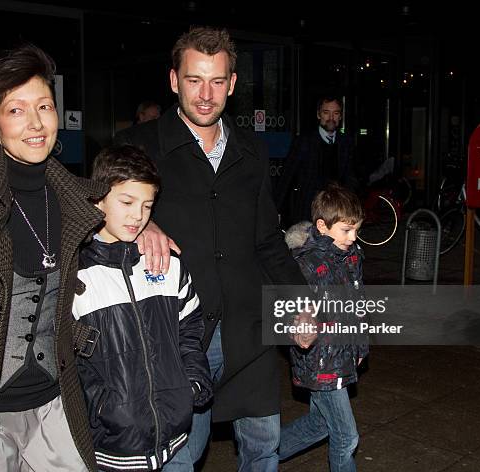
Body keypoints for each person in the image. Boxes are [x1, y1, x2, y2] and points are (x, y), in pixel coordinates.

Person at [0, 44, 172, 472]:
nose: (35, 123)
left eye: (44, 106)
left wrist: (150, 224)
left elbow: (128, 207)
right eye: (16, 110)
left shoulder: (80, 200)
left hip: (55, 402)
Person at [115, 26, 306, 471]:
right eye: (194, 80)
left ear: (232, 84)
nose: (206, 94)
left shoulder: (252, 151)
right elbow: (95, 209)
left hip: (248, 330)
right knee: (182, 457)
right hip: (178, 336)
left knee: (264, 449)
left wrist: (301, 301)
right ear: (173, 80)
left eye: (217, 81)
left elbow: (268, 241)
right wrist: (143, 223)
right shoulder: (137, 147)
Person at [73, 144, 212, 471]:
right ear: (98, 199)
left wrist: (188, 387)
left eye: (148, 205)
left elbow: (190, 330)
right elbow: (70, 363)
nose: (138, 215)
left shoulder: (168, 265)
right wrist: (101, 412)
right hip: (113, 449)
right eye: (127, 202)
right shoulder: (76, 278)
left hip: (175, 440)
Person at [279, 183, 368, 472]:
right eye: (346, 230)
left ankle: (263, 453)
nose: (353, 238)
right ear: (322, 225)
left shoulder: (350, 256)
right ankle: (260, 454)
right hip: (320, 360)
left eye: (356, 230)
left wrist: (359, 346)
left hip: (341, 354)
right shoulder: (304, 263)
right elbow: (284, 312)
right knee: (346, 437)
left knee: (320, 424)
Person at [276, 96, 358, 227]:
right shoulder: (304, 142)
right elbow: (287, 177)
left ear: (340, 116)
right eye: (326, 113)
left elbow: (351, 178)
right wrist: (276, 210)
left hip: (336, 213)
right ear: (318, 115)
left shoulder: (346, 143)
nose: (331, 118)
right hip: (307, 212)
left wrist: (352, 207)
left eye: (335, 113)